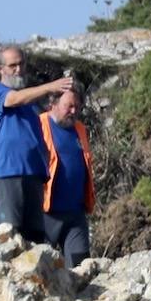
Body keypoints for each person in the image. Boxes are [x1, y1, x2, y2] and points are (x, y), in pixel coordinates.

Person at [0, 44, 72, 241]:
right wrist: (50, 86)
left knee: (35, 236)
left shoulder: (31, 103)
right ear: (0, 69)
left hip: (34, 173)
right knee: (10, 234)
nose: (18, 69)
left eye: (22, 64)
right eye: (12, 65)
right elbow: (14, 99)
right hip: (9, 173)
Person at [38, 87, 96, 269]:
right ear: (53, 104)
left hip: (75, 214)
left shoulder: (80, 129)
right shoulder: (39, 125)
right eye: (68, 106)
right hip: (46, 214)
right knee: (41, 272)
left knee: (81, 270)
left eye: (77, 107)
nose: (73, 111)